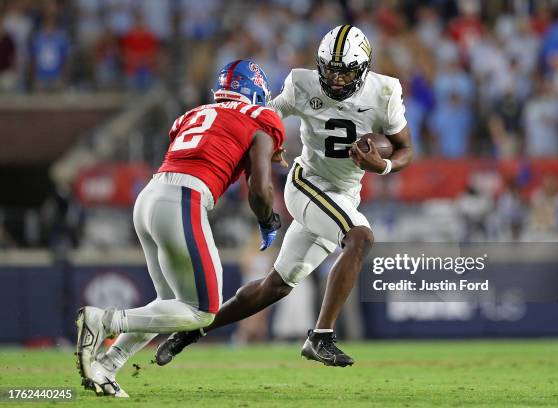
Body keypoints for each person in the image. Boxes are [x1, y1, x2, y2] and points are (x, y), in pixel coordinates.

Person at [156, 25, 412, 367]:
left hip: (345, 195)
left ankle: (194, 329)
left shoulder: (384, 92)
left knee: (275, 287)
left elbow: (405, 149)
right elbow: (263, 119)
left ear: (363, 70)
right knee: (360, 237)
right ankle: (321, 337)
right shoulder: (301, 83)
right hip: (308, 184)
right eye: (330, 70)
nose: (336, 80)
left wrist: (380, 166)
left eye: (345, 72)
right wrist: (269, 146)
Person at [75, 59, 286, 397]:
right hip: (183, 200)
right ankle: (105, 321)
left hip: (150, 197)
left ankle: (107, 365)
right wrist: (268, 221)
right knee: (203, 311)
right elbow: (260, 190)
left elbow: (204, 147)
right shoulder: (262, 118)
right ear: (256, 92)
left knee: (168, 305)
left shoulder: (194, 114)